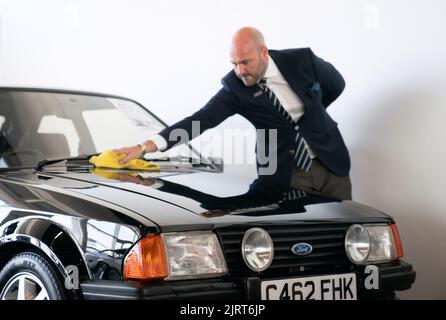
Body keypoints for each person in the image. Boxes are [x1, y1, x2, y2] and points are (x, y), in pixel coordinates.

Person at [114, 27, 351, 200]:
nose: (239, 71)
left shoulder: (302, 60)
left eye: (245, 62)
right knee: (303, 239)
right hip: (284, 172)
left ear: (264, 52)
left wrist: (313, 119)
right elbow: (200, 120)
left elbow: (336, 85)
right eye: (234, 63)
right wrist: (146, 146)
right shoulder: (235, 88)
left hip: (331, 161)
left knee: (346, 227)